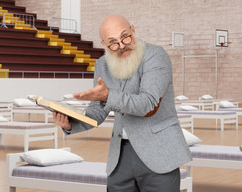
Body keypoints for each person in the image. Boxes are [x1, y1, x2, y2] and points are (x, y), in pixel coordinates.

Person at [53, 14, 192, 192]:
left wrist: (107, 95)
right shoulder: (102, 64)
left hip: (159, 153)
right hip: (120, 157)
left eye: (125, 36)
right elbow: (98, 110)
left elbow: (147, 103)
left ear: (133, 30)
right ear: (103, 44)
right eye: (113, 42)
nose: (122, 45)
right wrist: (71, 123)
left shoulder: (156, 55)